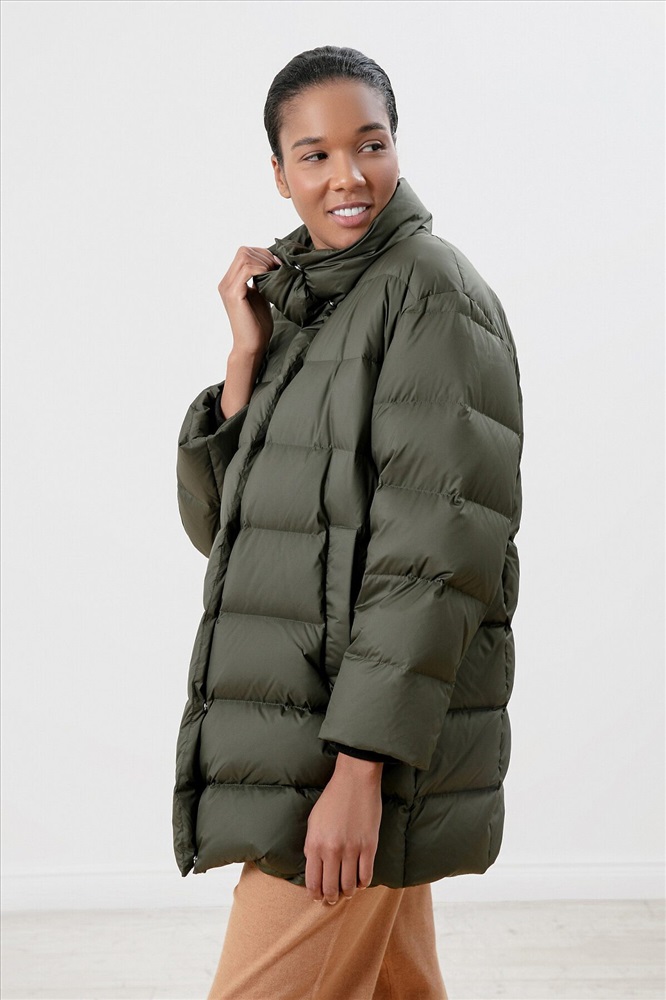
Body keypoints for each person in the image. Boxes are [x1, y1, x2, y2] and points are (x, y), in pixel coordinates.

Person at [172, 45, 524, 1000]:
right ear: (279, 173)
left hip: (347, 751)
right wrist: (244, 359)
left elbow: (434, 555)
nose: (348, 176)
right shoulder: (310, 305)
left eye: (370, 144)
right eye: (316, 155)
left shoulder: (429, 292)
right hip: (309, 739)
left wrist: (361, 771)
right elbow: (233, 537)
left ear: (396, 145)